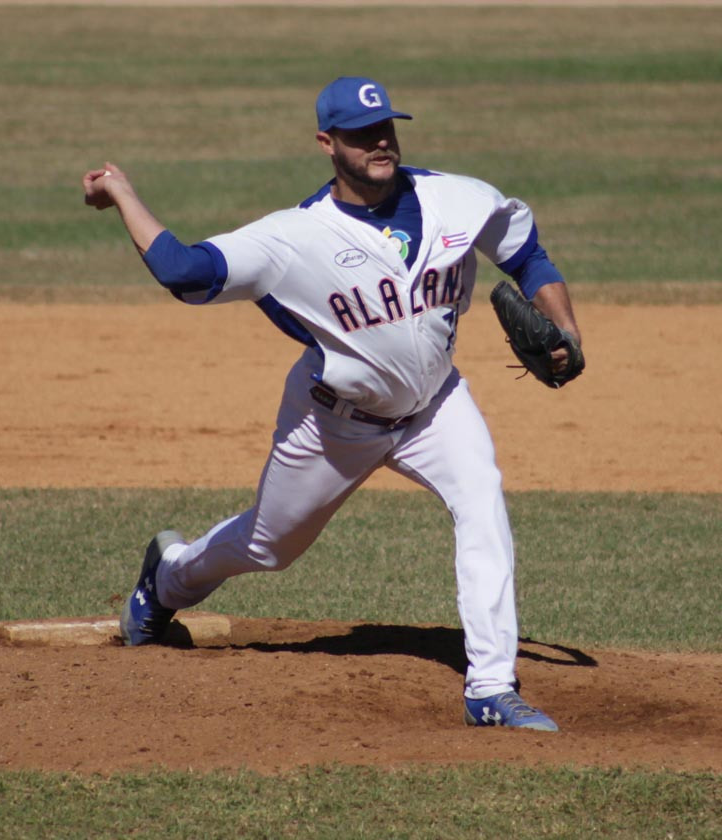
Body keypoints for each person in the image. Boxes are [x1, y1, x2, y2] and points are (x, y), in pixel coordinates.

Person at [83, 76, 582, 732]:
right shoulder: (294, 237)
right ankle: (168, 579)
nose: (379, 142)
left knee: (482, 498)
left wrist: (567, 332)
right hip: (332, 421)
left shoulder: (457, 199)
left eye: (386, 128)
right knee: (269, 546)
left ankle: (490, 688)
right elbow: (183, 271)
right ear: (327, 143)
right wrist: (122, 192)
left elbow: (528, 255)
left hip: (436, 407)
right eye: (359, 134)